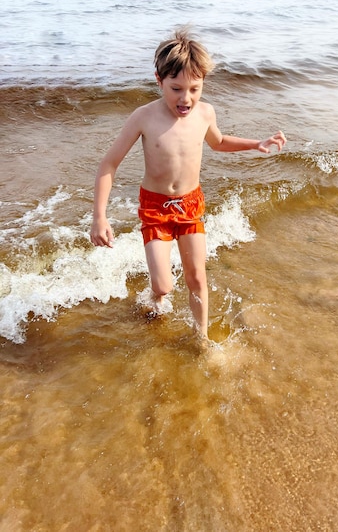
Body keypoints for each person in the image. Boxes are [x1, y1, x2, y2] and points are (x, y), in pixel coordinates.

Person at [90, 27, 286, 340]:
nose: (186, 98)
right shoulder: (144, 117)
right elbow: (108, 164)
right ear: (159, 80)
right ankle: (155, 301)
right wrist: (99, 216)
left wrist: (255, 143)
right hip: (155, 208)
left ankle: (201, 338)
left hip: (190, 205)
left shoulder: (205, 113)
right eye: (176, 88)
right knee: (164, 285)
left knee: (197, 277)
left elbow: (219, 142)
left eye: (195, 89)